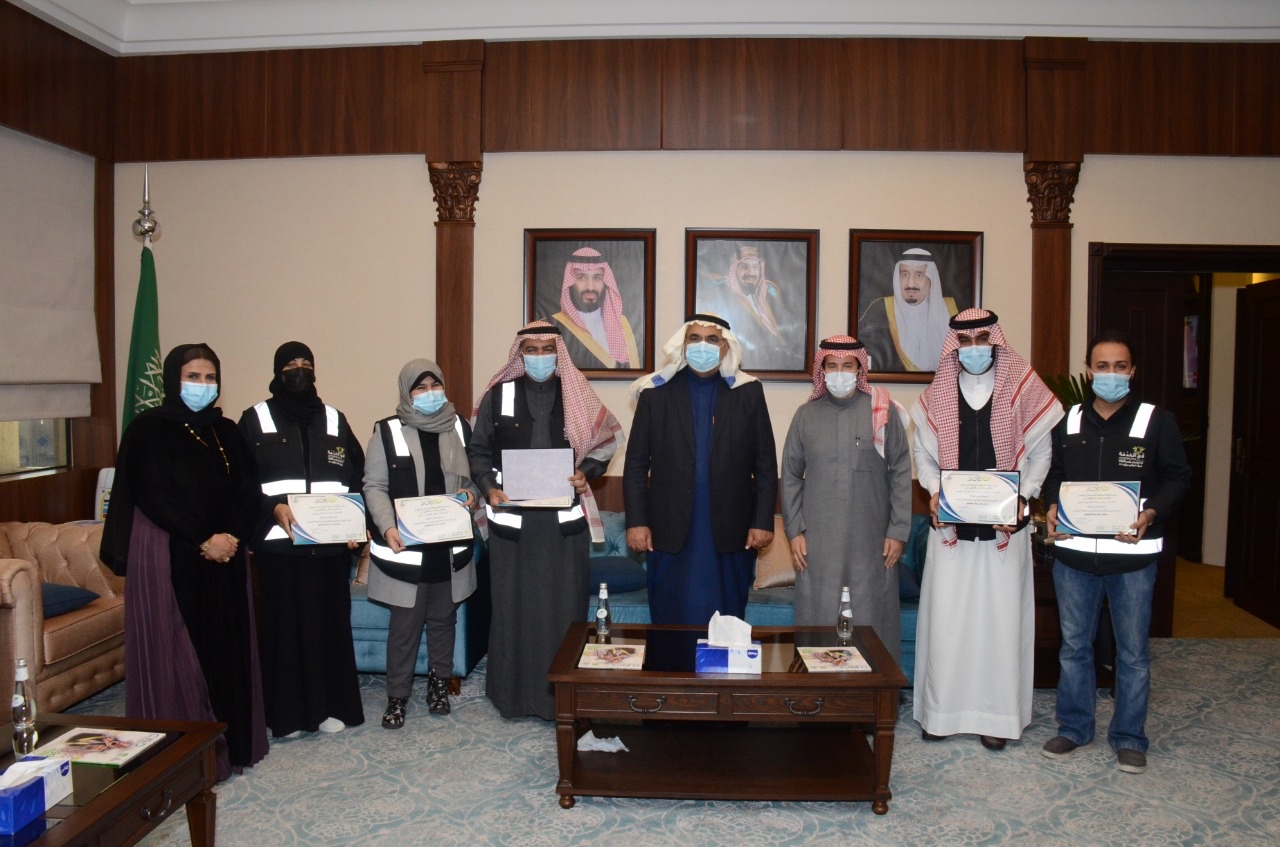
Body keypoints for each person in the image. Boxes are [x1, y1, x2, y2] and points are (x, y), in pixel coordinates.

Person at [100, 343, 267, 781]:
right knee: (184, 652)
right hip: (176, 556)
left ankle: (234, 746)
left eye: (210, 378)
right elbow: (153, 493)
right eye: (193, 376)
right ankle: (188, 757)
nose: (202, 385)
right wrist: (203, 538)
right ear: (173, 379)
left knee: (228, 649)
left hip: (228, 557)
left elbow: (251, 490)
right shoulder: (148, 429)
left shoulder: (226, 430)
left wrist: (232, 536)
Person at [911, 309, 1063, 750]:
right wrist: (935, 490)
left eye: (982, 338)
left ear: (995, 340)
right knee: (948, 623)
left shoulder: (1023, 388)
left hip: (1003, 531)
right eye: (966, 340)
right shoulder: (936, 395)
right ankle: (942, 714)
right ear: (954, 345)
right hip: (951, 532)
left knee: (1000, 625)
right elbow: (924, 456)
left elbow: (1041, 454)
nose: (974, 348)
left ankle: (998, 718)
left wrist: (1023, 497)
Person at [1040, 331, 1190, 774]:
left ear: (1132, 371)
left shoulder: (1156, 421)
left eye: (1119, 366)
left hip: (1133, 559)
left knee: (1133, 653)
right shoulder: (1067, 420)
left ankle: (1129, 737)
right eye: (1102, 366)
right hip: (1074, 558)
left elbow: (1178, 477)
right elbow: (1055, 474)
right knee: (1074, 647)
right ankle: (1074, 727)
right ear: (1089, 371)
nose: (1110, 374)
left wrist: (1152, 511)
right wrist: (1052, 503)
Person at [469, 322, 622, 719]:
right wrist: (489, 488)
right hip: (512, 528)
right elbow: (478, 451)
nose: (539, 356)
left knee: (562, 611)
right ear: (520, 354)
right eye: (531, 349)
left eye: (546, 348)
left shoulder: (576, 394)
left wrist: (585, 471)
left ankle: (561, 698)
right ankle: (511, 697)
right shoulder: (499, 395)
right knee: (511, 611)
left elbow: (606, 441)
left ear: (559, 353)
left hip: (562, 529)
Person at [238, 341, 365, 738]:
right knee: (284, 631)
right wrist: (271, 507)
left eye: (306, 363)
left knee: (328, 628)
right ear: (278, 371)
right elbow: (238, 484)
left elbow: (357, 478)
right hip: (279, 547)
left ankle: (329, 708)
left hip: (329, 550)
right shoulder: (255, 419)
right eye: (291, 364)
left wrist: (355, 527)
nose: (299, 370)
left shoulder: (334, 419)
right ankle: (287, 716)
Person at [624, 314, 778, 625]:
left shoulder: (748, 392)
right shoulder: (655, 392)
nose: (702, 346)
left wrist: (763, 522)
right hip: (669, 531)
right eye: (694, 339)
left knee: (726, 619)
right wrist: (636, 522)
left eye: (712, 339)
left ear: (726, 347)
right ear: (683, 345)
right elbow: (636, 465)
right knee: (671, 619)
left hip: (731, 532)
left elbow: (765, 464)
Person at [780, 336, 913, 664]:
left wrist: (898, 531)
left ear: (860, 369)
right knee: (818, 611)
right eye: (832, 366)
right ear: (822, 370)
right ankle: (815, 689)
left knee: (873, 613)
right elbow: (790, 475)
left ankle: (875, 689)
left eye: (847, 366)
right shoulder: (805, 415)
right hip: (817, 540)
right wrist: (795, 531)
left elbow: (900, 471)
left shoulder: (882, 412)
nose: (840, 373)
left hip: (872, 539)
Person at [364, 359, 480, 728]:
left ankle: (438, 686)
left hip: (448, 548)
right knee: (405, 628)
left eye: (435, 385)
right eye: (420, 387)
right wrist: (386, 526)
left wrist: (472, 496)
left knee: (444, 620)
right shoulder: (387, 431)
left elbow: (473, 479)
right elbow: (374, 486)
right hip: (406, 550)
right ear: (406, 392)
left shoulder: (459, 426)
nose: (430, 393)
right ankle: (397, 697)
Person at [858, 247, 959, 372]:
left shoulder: (951, 310)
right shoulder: (880, 309)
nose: (910, 284)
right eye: (904, 275)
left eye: (919, 275)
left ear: (931, 279)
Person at [699, 246, 796, 370]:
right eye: (744, 267)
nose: (751, 273)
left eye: (756, 267)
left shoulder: (769, 295)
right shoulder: (726, 298)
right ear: (734, 271)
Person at [546, 246, 641, 369]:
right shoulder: (552, 326)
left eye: (597, 278)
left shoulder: (624, 324)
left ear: (605, 282)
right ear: (570, 282)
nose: (590, 287)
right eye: (581, 277)